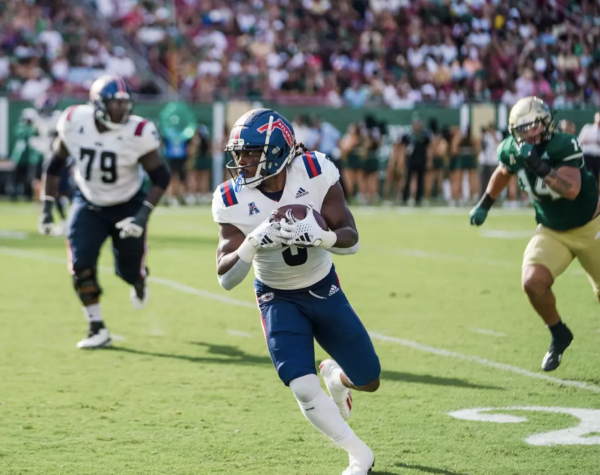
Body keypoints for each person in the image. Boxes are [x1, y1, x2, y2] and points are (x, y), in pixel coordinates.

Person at [212, 109, 380, 475]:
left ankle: (337, 378)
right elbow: (225, 277)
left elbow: (350, 239)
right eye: (239, 153)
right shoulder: (230, 197)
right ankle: (358, 454)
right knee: (301, 385)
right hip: (276, 296)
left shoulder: (315, 171)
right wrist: (254, 241)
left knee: (370, 379)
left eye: (251, 153)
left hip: (323, 286)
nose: (241, 162)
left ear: (275, 151)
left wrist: (322, 236)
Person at [38, 75, 171, 349]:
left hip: (128, 204)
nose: (121, 110)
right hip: (88, 202)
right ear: (98, 104)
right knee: (80, 264)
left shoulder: (138, 132)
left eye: (125, 104)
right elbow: (53, 166)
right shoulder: (75, 121)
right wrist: (47, 209)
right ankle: (96, 327)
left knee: (127, 270)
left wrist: (142, 215)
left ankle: (138, 280)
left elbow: (161, 177)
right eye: (114, 104)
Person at [469, 96, 599, 371]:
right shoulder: (512, 149)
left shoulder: (564, 143)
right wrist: (484, 205)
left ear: (547, 122)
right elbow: (504, 172)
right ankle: (558, 333)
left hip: (592, 225)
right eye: (524, 128)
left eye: (536, 125)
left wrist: (539, 165)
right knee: (532, 282)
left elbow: (571, 190)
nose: (531, 133)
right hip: (553, 228)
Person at [401, 115, 431, 206]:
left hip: (421, 159)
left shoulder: (425, 135)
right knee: (408, 178)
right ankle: (405, 197)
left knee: (420, 179)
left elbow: (428, 148)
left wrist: (429, 160)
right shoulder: (408, 135)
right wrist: (402, 159)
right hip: (411, 160)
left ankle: (418, 198)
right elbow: (403, 147)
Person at [577, 113, 600, 188]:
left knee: (597, 176)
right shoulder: (587, 128)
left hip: (598, 157)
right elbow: (580, 140)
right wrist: (593, 141)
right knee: (586, 174)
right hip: (587, 156)